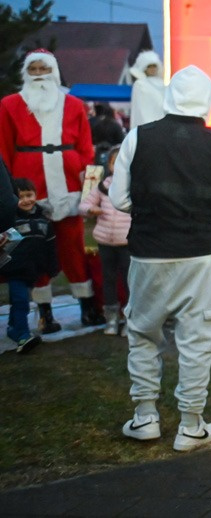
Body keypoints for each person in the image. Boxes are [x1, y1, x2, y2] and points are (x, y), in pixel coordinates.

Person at [109, 65, 211, 452]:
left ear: (169, 97)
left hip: (148, 254)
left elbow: (119, 199)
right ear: (207, 98)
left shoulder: (137, 138)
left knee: (143, 335)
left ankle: (146, 416)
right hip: (198, 255)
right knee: (197, 340)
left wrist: (151, 208)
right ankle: (191, 424)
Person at [0, 50, 101, 330]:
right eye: (33, 68)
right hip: (28, 186)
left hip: (68, 184)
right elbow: (3, 151)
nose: (39, 72)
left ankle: (86, 304)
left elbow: (87, 149)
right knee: (33, 248)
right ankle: (44, 312)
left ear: (54, 72)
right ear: (25, 72)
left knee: (73, 248)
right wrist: (8, 194)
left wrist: (91, 192)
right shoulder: (9, 105)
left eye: (44, 67)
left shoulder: (74, 105)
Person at [3, 177, 59, 353]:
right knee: (21, 302)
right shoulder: (10, 220)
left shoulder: (43, 220)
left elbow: (50, 244)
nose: (26, 200)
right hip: (15, 269)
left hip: (33, 270)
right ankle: (23, 336)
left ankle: (13, 327)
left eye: (29, 195)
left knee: (19, 301)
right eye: (21, 197)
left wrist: (52, 266)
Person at [82, 149, 132, 336]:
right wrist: (91, 210)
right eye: (114, 162)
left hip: (127, 243)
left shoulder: (135, 187)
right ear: (109, 165)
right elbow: (84, 205)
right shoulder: (103, 187)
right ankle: (111, 318)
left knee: (130, 282)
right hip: (105, 242)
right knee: (108, 280)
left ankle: (130, 319)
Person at [128, 50, 166, 129]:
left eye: (154, 66)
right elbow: (140, 109)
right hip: (146, 124)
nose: (152, 69)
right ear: (144, 68)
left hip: (162, 123)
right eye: (149, 66)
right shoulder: (140, 84)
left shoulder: (162, 84)